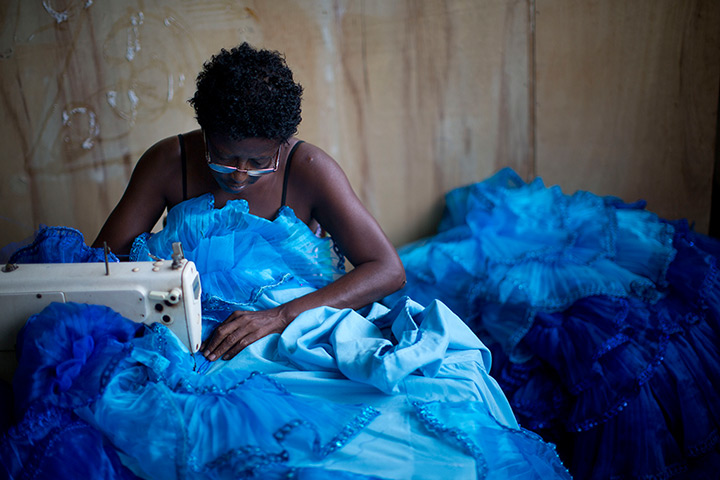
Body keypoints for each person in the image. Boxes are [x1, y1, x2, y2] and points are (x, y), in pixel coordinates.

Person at [92, 42, 406, 362]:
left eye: (259, 162)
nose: (239, 176)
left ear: (281, 143)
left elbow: (388, 270)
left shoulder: (311, 169)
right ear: (206, 131)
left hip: (295, 332)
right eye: (224, 157)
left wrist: (281, 316)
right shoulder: (169, 162)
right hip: (188, 337)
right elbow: (100, 262)